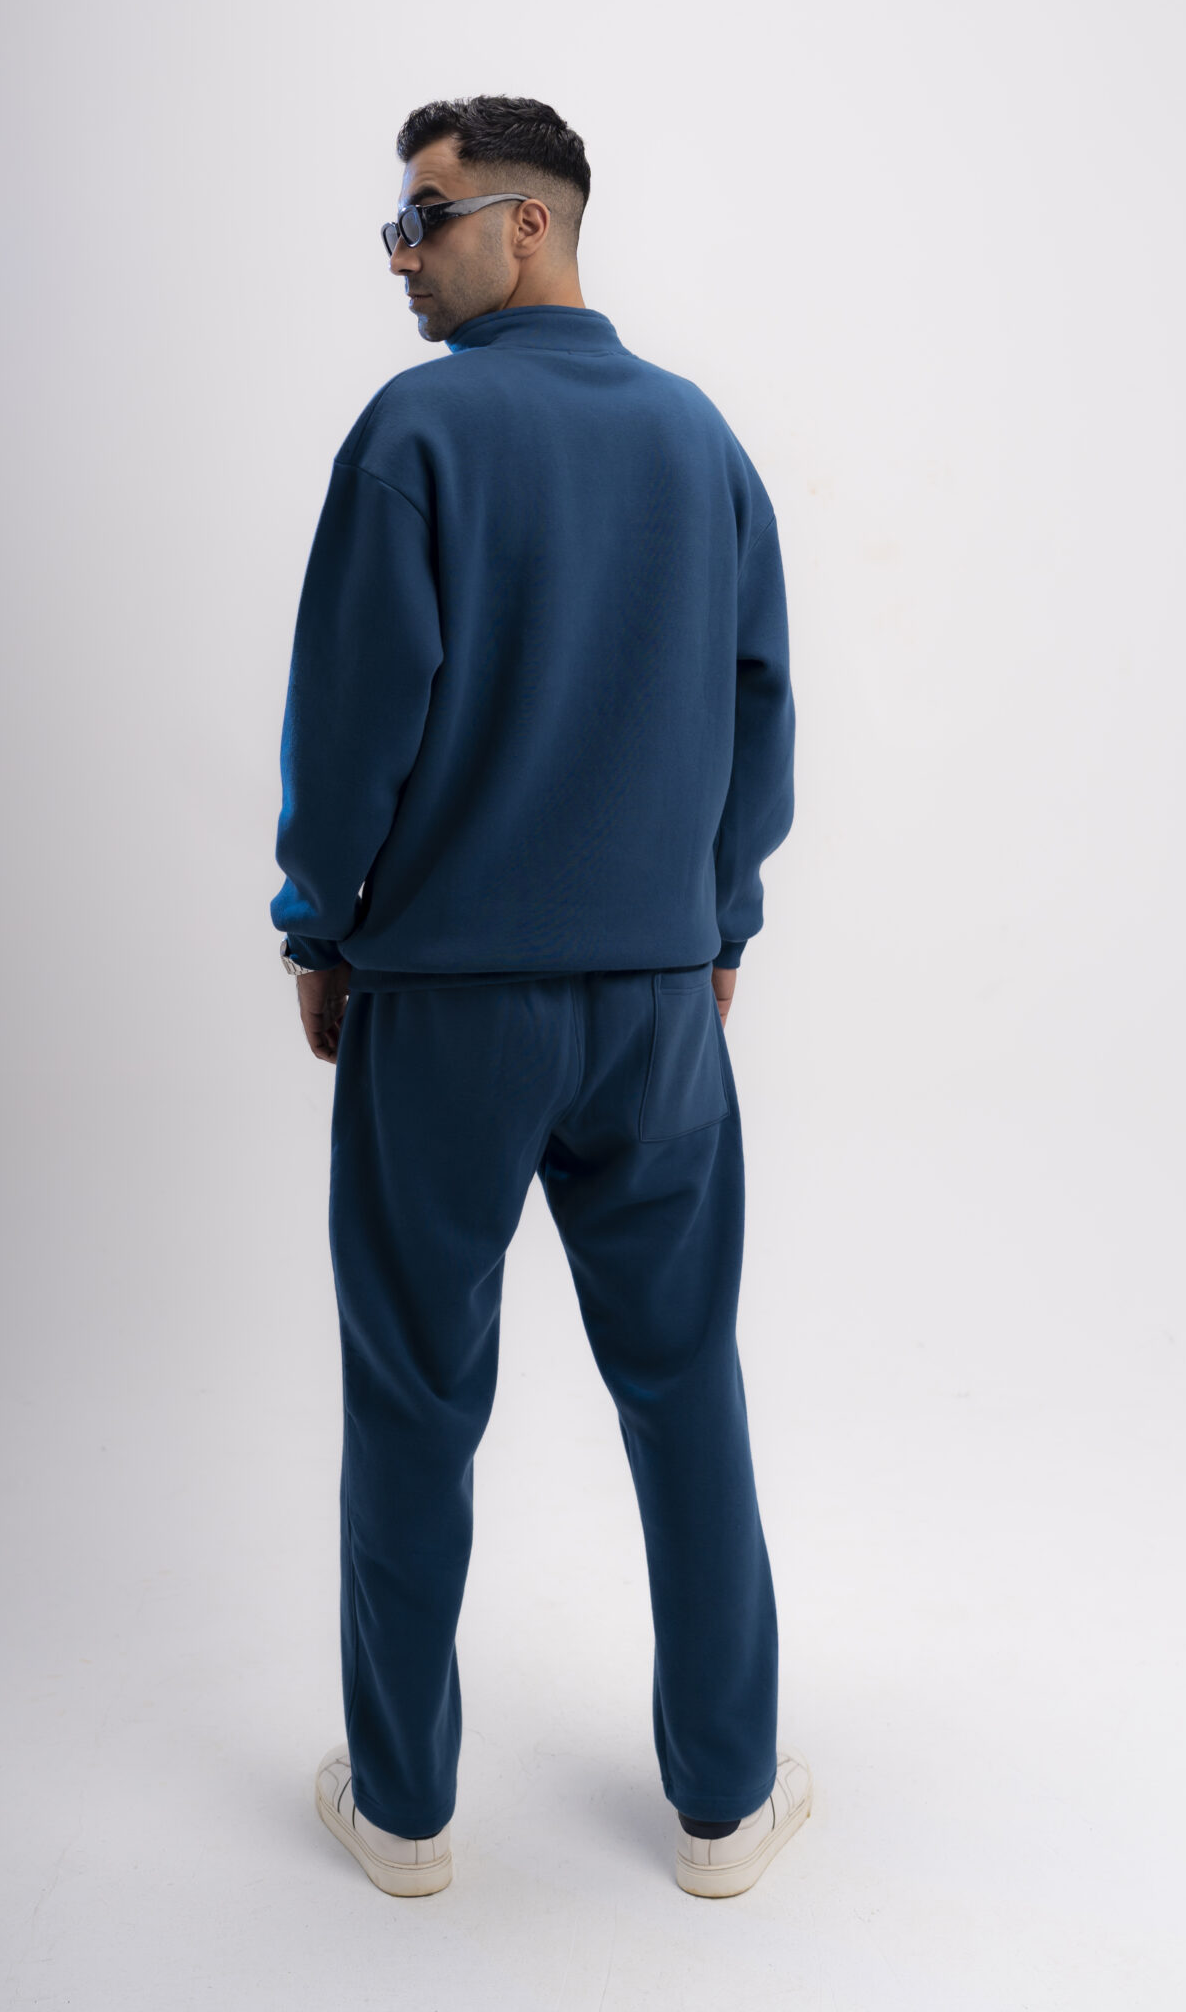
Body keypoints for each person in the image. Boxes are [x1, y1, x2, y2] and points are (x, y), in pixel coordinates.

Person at [270, 94, 808, 1901]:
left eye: (422, 219)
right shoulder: (699, 438)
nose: (400, 257)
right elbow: (760, 716)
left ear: (527, 223)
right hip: (657, 1012)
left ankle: (405, 1812)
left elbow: (352, 724)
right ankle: (726, 1806)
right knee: (684, 1386)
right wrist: (716, 927)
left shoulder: (417, 435)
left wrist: (320, 932)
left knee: (414, 1398)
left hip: (447, 1011)